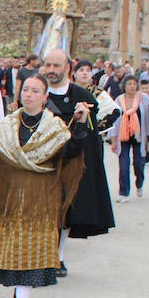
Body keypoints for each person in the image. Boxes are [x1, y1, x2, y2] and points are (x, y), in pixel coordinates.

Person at [0, 75, 88, 298]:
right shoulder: (7, 125)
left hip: (40, 196)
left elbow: (70, 153)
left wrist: (81, 124)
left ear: (45, 97)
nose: (29, 94)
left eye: (35, 91)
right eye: (26, 90)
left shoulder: (54, 128)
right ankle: (20, 291)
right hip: (9, 195)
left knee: (31, 246)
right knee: (9, 244)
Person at [40, 49, 113, 257]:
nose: (51, 70)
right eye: (48, 65)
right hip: (41, 161)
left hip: (70, 162)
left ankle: (58, 256)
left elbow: (90, 136)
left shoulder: (83, 97)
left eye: (57, 65)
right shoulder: (36, 91)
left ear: (68, 68)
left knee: (66, 210)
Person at [105, 75, 149, 201]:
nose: (132, 86)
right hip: (123, 136)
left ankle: (139, 184)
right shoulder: (119, 100)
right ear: (124, 86)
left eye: (134, 84)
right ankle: (123, 192)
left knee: (139, 164)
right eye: (129, 84)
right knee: (123, 165)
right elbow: (115, 121)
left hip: (139, 136)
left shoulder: (144, 98)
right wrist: (113, 140)